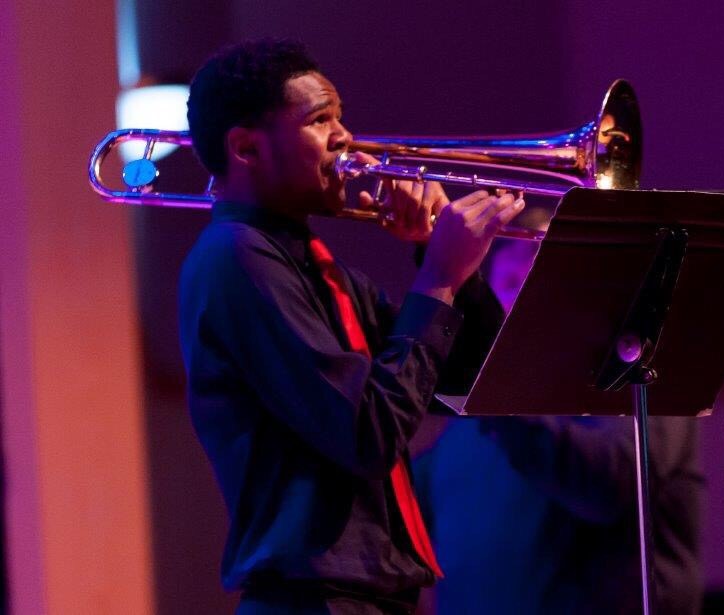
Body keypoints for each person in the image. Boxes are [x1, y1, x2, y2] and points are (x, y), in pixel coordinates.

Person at [177, 39, 519, 614]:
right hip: (312, 600)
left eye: (340, 117)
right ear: (246, 148)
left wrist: (449, 270)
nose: (346, 137)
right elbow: (367, 434)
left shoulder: (321, 269)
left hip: (367, 598)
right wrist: (437, 279)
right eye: (320, 120)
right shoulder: (236, 259)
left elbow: (471, 388)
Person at [414, 236, 705, 615]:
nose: (521, 304)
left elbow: (609, 486)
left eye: (536, 283)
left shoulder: (630, 384)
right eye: (511, 284)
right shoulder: (462, 430)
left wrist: (501, 407)